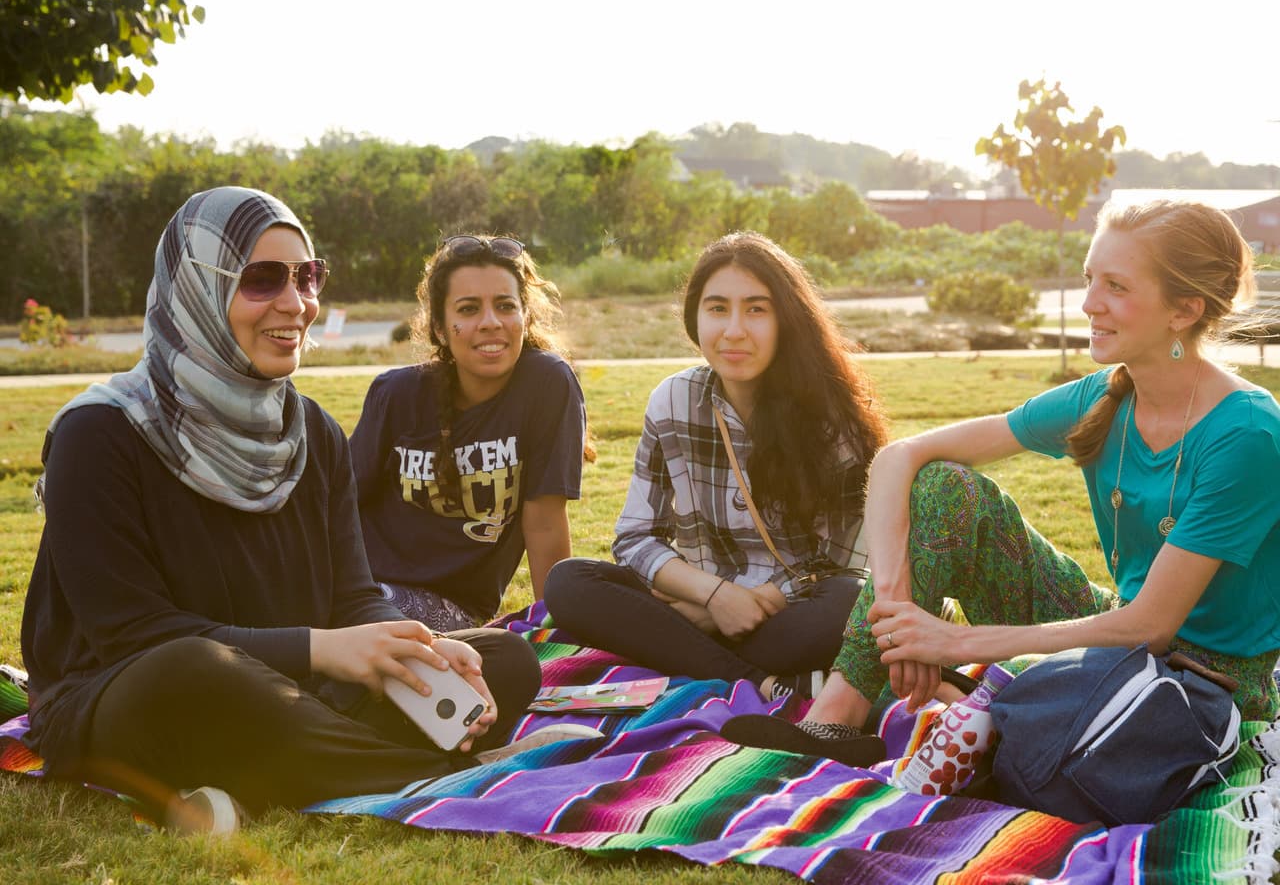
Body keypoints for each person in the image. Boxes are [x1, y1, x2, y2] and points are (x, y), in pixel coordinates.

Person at [19, 188, 554, 835]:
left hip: (287, 690)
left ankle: (253, 779)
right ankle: (435, 774)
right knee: (191, 667)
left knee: (502, 661)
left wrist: (412, 649)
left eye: (307, 276)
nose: (297, 303)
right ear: (195, 290)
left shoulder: (311, 432)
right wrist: (325, 651)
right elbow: (134, 636)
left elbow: (354, 599)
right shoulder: (99, 433)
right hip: (128, 696)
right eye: (262, 279)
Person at [722, 199, 1280, 764]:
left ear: (1183, 310)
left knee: (1035, 737)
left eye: (1115, 286)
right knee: (944, 487)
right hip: (1119, 633)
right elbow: (900, 457)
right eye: (1089, 279)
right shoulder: (1105, 398)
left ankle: (967, 694)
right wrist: (900, 615)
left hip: (1209, 679)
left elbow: (1151, 627)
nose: (1089, 304)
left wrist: (955, 642)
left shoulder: (1246, 434)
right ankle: (837, 718)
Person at [544, 231, 889, 699]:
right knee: (569, 583)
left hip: (791, 612)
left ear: (787, 319)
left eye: (756, 309)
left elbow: (846, 562)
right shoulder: (673, 400)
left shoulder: (831, 415)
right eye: (717, 308)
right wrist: (713, 596)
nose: (734, 331)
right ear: (696, 317)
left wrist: (755, 602)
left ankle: (693, 658)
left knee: (849, 605)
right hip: (699, 598)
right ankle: (759, 680)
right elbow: (635, 536)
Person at [350, 235, 588, 630]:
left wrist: (555, 631)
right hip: (362, 588)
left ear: (524, 317)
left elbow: (545, 520)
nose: (491, 322)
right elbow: (339, 506)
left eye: (505, 305)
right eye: (469, 309)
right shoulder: (396, 393)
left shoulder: (546, 384)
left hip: (452, 608)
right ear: (440, 329)